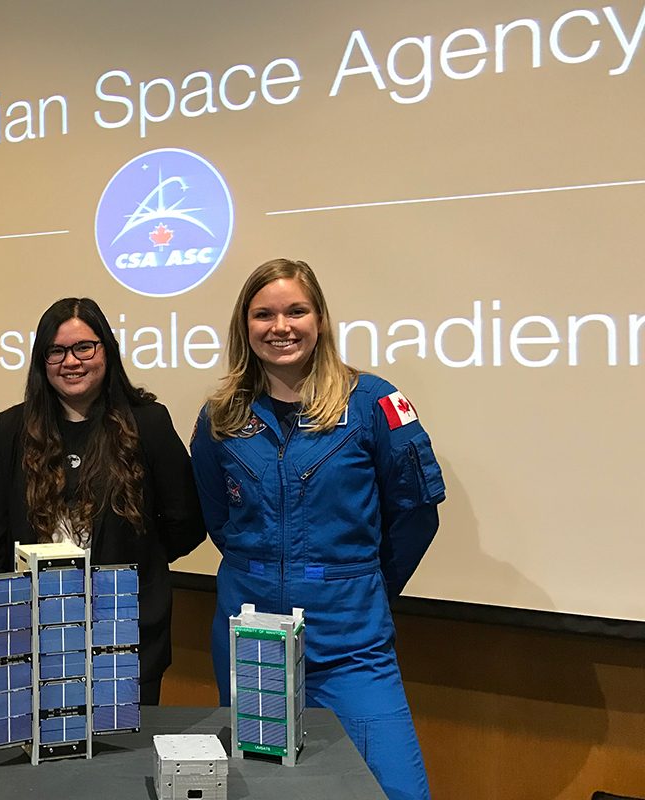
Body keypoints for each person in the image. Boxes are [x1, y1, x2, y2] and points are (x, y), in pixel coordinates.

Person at [189, 258, 446, 800]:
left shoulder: (372, 403)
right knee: (263, 789)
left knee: (394, 788)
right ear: (245, 326)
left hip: (351, 642)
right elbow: (220, 521)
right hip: (251, 635)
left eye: (295, 311)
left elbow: (416, 514)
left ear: (321, 319)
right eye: (264, 314)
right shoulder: (220, 418)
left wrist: (363, 584)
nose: (280, 326)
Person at [0, 297, 206, 704]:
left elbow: (185, 520)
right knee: (47, 756)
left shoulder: (147, 422)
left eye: (83, 347)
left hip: (128, 629)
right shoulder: (12, 427)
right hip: (37, 631)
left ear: (106, 351)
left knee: (123, 755)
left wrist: (141, 554)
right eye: (56, 351)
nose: (71, 361)